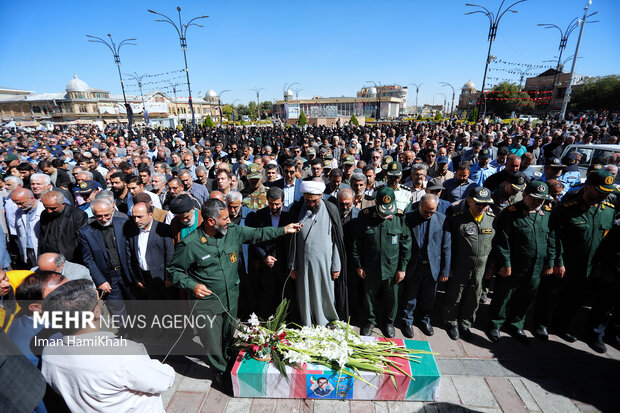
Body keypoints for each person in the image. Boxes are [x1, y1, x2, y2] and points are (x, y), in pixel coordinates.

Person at [167, 199, 300, 381]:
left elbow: (259, 234)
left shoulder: (233, 232)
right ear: (211, 221)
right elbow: (173, 271)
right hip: (208, 305)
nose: (229, 221)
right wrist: (193, 285)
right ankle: (221, 374)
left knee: (229, 338)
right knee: (213, 344)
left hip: (231, 299)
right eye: (225, 218)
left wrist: (284, 229)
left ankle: (230, 366)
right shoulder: (190, 244)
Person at [40, 279, 175, 413]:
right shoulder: (122, 355)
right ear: (96, 312)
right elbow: (163, 380)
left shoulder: (50, 347)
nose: (101, 299)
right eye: (99, 296)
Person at [543, 170, 617, 347]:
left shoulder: (609, 211)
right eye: (600, 191)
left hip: (590, 266)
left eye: (607, 192)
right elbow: (554, 236)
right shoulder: (568, 209)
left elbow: (607, 241)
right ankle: (543, 323)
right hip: (567, 263)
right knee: (552, 296)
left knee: (576, 298)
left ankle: (563, 325)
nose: (604, 195)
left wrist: (600, 264)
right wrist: (557, 262)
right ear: (587, 187)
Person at [486, 181, 559, 344]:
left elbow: (551, 239)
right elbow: (501, 241)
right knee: (503, 297)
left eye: (542, 199)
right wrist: (505, 264)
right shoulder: (510, 213)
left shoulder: (547, 213)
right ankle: (495, 324)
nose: (539, 202)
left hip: (536, 266)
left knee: (526, 297)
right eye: (534, 198)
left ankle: (515, 324)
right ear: (525, 195)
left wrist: (550, 262)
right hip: (513, 266)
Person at [286, 179, 348, 326]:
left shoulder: (331, 209)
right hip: (302, 263)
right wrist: (292, 264)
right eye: (307, 200)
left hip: (325, 264)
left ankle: (326, 322)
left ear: (320, 196)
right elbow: (291, 240)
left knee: (324, 293)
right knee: (305, 294)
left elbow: (336, 241)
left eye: (314, 200)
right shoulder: (297, 209)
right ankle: (307, 322)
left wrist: (336, 265)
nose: (310, 204)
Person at [352, 186, 411, 338]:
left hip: (392, 268)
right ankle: (370, 321)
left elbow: (406, 244)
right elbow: (357, 243)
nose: (385, 214)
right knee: (369, 296)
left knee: (392, 298)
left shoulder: (399, 218)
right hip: (370, 267)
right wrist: (358, 265)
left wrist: (402, 268)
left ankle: (388, 323)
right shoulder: (365, 216)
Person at [443, 187, 495, 340]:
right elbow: (449, 245)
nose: (482, 207)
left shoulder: (491, 219)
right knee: (455, 295)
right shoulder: (457, 219)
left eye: (485, 205)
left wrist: (491, 267)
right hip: (460, 265)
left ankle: (465, 324)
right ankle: (450, 322)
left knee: (474, 296)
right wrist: (449, 267)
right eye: (478, 204)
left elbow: (494, 246)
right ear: (469, 201)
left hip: (481, 267)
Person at [401, 194, 451, 338]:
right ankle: (407, 321)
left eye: (432, 211)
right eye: (426, 211)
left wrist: (445, 271)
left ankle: (425, 320)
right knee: (410, 296)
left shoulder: (442, 219)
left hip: (432, 267)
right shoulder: (409, 218)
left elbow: (446, 247)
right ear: (419, 206)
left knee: (429, 297)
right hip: (414, 265)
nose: (429, 214)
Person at [78, 199, 135, 318]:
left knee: (135, 304)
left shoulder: (126, 223)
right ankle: (124, 332)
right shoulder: (86, 232)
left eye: (107, 215)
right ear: (93, 214)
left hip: (128, 273)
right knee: (116, 308)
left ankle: (138, 332)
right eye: (99, 216)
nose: (104, 219)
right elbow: (88, 259)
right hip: (108, 276)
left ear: (113, 210)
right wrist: (100, 280)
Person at [246, 186, 290, 318]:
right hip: (266, 263)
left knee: (284, 294)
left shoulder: (289, 215)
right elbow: (255, 239)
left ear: (282, 202)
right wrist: (264, 257)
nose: (274, 207)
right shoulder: (259, 215)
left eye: (277, 204)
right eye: (271, 204)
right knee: (267, 293)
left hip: (284, 262)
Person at [126, 201, 175, 301]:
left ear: (150, 214)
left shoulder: (163, 229)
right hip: (144, 279)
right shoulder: (132, 230)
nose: (136, 220)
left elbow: (170, 255)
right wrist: (136, 278)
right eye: (134, 217)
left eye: (140, 216)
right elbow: (130, 257)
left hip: (162, 278)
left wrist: (168, 277)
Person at [38, 190, 88, 262]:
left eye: (53, 208)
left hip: (70, 259)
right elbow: (43, 236)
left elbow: (81, 240)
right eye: (46, 208)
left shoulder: (77, 215)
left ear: (63, 204)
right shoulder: (44, 214)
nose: (49, 211)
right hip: (49, 258)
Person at [11, 188, 45, 268]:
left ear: (32, 198)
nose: (19, 206)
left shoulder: (43, 210)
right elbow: (20, 234)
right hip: (28, 251)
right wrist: (22, 253)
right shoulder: (19, 212)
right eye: (16, 203)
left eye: (21, 203)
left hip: (42, 251)